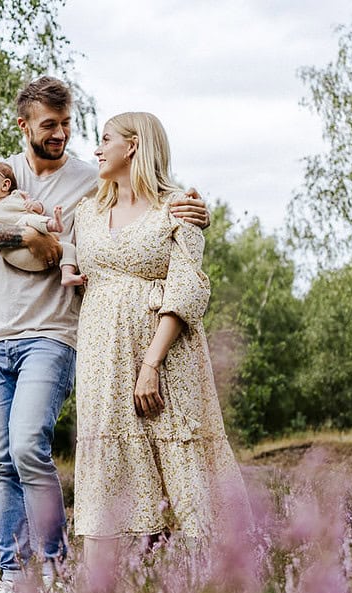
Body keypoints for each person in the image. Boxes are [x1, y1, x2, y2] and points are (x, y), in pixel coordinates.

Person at [0, 77, 209, 593]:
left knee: (27, 445)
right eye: (50, 125)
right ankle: (14, 582)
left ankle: (54, 571)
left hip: (54, 334)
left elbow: (144, 203)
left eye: (68, 123)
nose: (63, 135)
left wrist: (191, 206)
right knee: (2, 461)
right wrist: (25, 238)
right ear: (24, 126)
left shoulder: (91, 184)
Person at [71, 111, 250, 567]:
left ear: (132, 146)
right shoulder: (87, 212)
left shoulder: (179, 206)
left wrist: (151, 363)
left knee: (179, 464)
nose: (97, 148)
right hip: (99, 358)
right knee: (104, 464)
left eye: (105, 139)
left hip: (166, 358)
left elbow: (188, 287)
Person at [0, 159, 84, 289]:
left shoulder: (18, 196)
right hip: (18, 255)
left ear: (5, 185)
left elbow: (38, 209)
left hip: (48, 256)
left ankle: (67, 275)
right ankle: (53, 224)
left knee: (68, 248)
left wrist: (35, 205)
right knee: (25, 220)